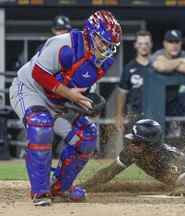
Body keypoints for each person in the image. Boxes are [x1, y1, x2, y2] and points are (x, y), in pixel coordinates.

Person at [9, 10, 122, 206]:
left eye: (110, 45)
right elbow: (38, 74)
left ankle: (60, 187)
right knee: (40, 124)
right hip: (29, 90)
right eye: (103, 41)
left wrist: (83, 102)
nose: (106, 48)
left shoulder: (103, 63)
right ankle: (40, 192)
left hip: (58, 101)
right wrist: (71, 96)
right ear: (90, 33)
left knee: (87, 135)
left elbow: (78, 89)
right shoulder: (64, 44)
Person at [115, 30, 153, 130]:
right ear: (135, 45)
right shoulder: (129, 68)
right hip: (135, 114)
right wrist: (119, 115)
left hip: (156, 112)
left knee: (156, 144)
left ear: (151, 45)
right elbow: (122, 93)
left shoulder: (157, 66)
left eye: (146, 43)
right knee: (135, 144)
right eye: (140, 43)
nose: (143, 46)